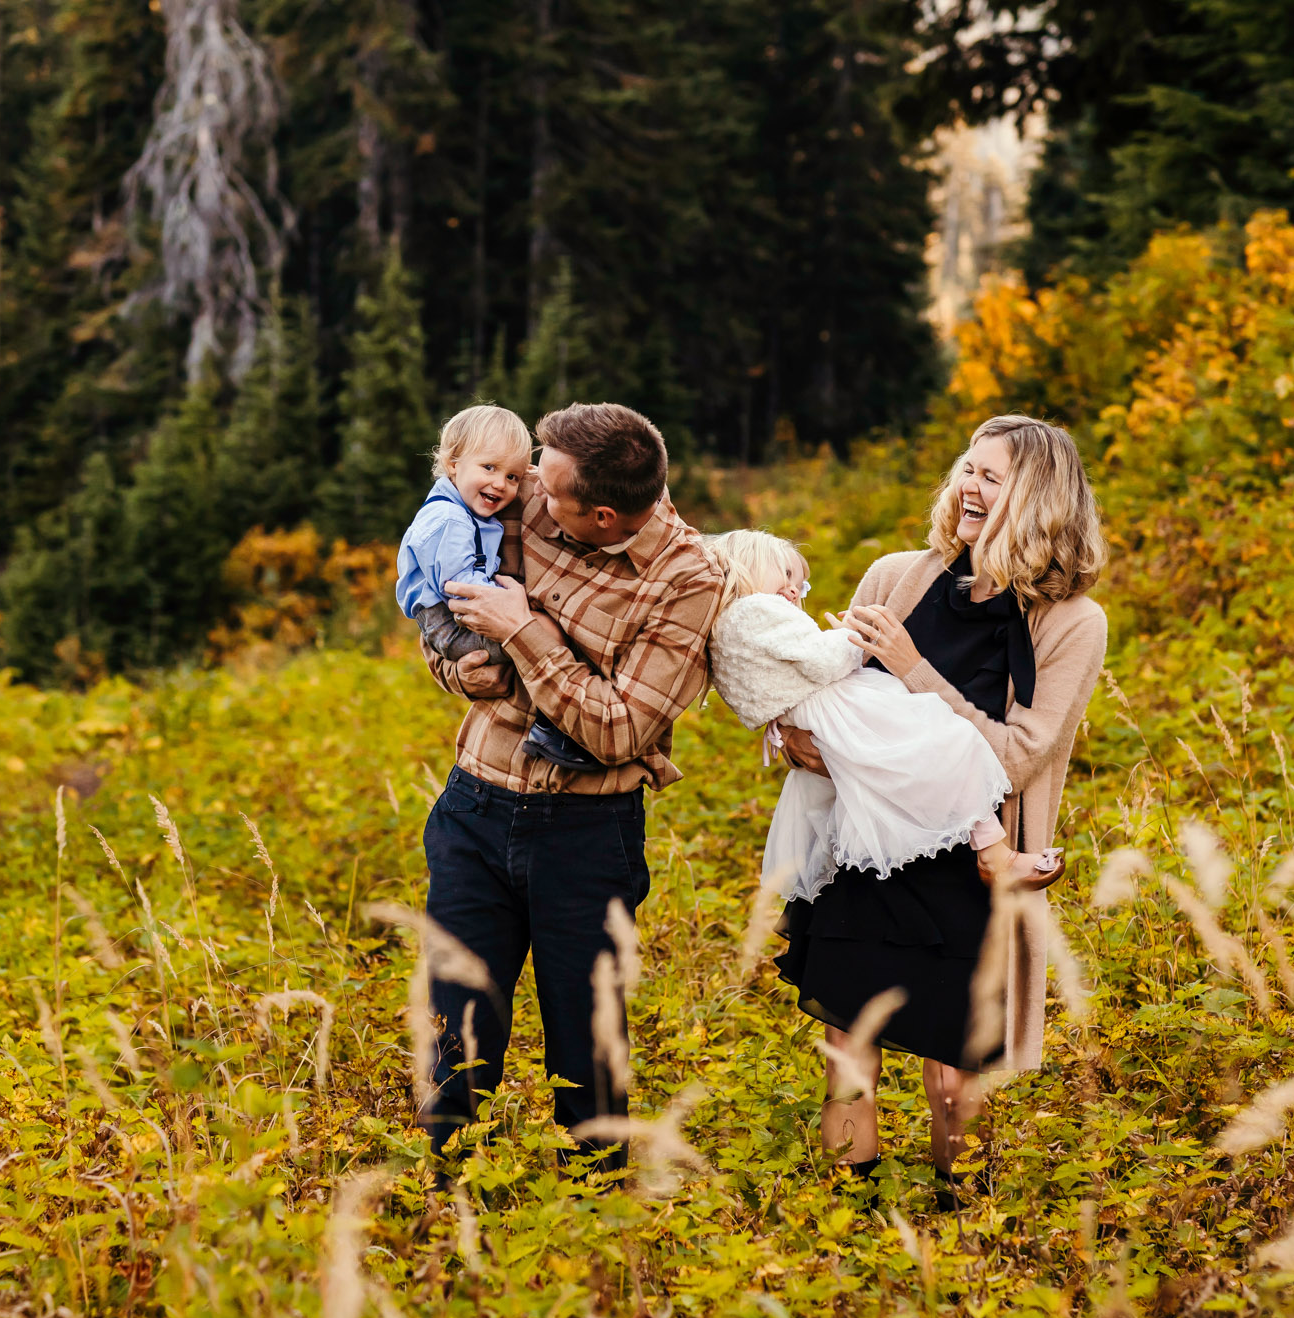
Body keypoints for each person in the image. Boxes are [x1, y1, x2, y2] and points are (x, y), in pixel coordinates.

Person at [774, 414, 1107, 1209]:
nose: (969, 485)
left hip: (973, 863)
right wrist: (791, 738)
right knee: (847, 1037)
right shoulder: (896, 576)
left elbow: (1016, 755)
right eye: (967, 467)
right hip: (874, 847)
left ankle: (965, 1223)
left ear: (1039, 499)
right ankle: (847, 1224)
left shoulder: (1070, 621)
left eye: (994, 477)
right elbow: (823, 689)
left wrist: (913, 666)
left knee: (956, 1068)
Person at [416, 402, 725, 1172]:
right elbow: (442, 604)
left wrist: (525, 631)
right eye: (529, 479)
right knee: (454, 1035)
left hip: (586, 835)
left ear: (605, 513)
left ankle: (594, 1230)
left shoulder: (686, 579)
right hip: (475, 808)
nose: (528, 501)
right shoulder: (524, 491)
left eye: (549, 495)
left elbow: (620, 731)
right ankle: (443, 1202)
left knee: (586, 1053)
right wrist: (458, 667)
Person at [701, 527, 1063, 898]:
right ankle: (993, 855)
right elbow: (822, 660)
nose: (794, 591)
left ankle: (970, 854)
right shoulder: (756, 611)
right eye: (788, 575)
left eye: (801, 586)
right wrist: (855, 637)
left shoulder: (729, 628)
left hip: (820, 714)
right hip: (841, 707)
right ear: (749, 566)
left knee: (905, 762)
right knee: (948, 740)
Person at [395, 406, 600, 771]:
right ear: (453, 463)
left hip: (449, 618)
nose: (500, 484)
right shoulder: (449, 521)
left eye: (512, 476)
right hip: (453, 622)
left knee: (539, 635)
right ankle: (557, 729)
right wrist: (513, 613)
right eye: (488, 468)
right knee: (545, 634)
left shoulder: (461, 508)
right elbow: (461, 589)